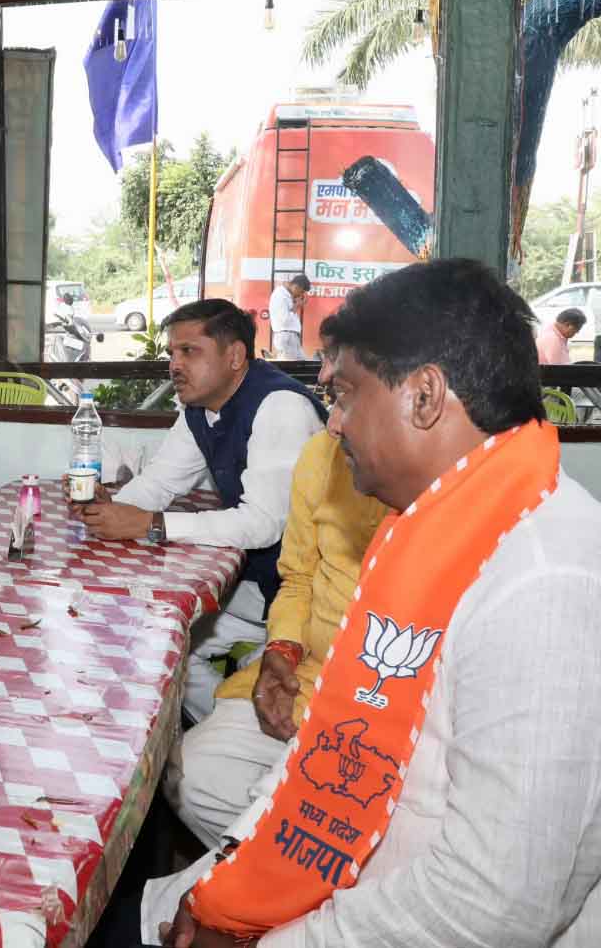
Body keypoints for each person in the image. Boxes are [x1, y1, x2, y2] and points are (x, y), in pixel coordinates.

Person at [151, 259, 601, 948]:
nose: (332, 427)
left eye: (347, 396)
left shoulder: (559, 590)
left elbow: (487, 910)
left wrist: (269, 939)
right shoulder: (427, 536)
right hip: (386, 882)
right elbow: (329, 751)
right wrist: (233, 887)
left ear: (424, 396)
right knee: (166, 910)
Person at [75, 299, 325, 721]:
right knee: (150, 642)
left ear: (234, 356)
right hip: (255, 585)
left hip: (301, 600)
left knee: (162, 648)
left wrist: (151, 524)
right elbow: (161, 481)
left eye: (189, 351)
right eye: (171, 353)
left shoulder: (280, 407)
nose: (174, 365)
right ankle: (220, 722)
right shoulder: (201, 408)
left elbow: (261, 524)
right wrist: (112, 509)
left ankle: (236, 726)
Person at [158, 417, 388, 855]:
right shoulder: (322, 454)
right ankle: (265, 885)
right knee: (190, 777)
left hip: (376, 701)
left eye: (345, 393)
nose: (334, 420)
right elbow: (298, 578)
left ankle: (279, 891)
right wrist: (281, 648)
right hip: (305, 672)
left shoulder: (454, 489)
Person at [267, 274, 310, 361]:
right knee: (291, 368)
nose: (300, 295)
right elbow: (284, 320)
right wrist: (297, 305)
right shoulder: (280, 295)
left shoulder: (287, 296)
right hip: (286, 337)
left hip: (291, 337)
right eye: (301, 292)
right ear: (297, 286)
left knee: (302, 364)